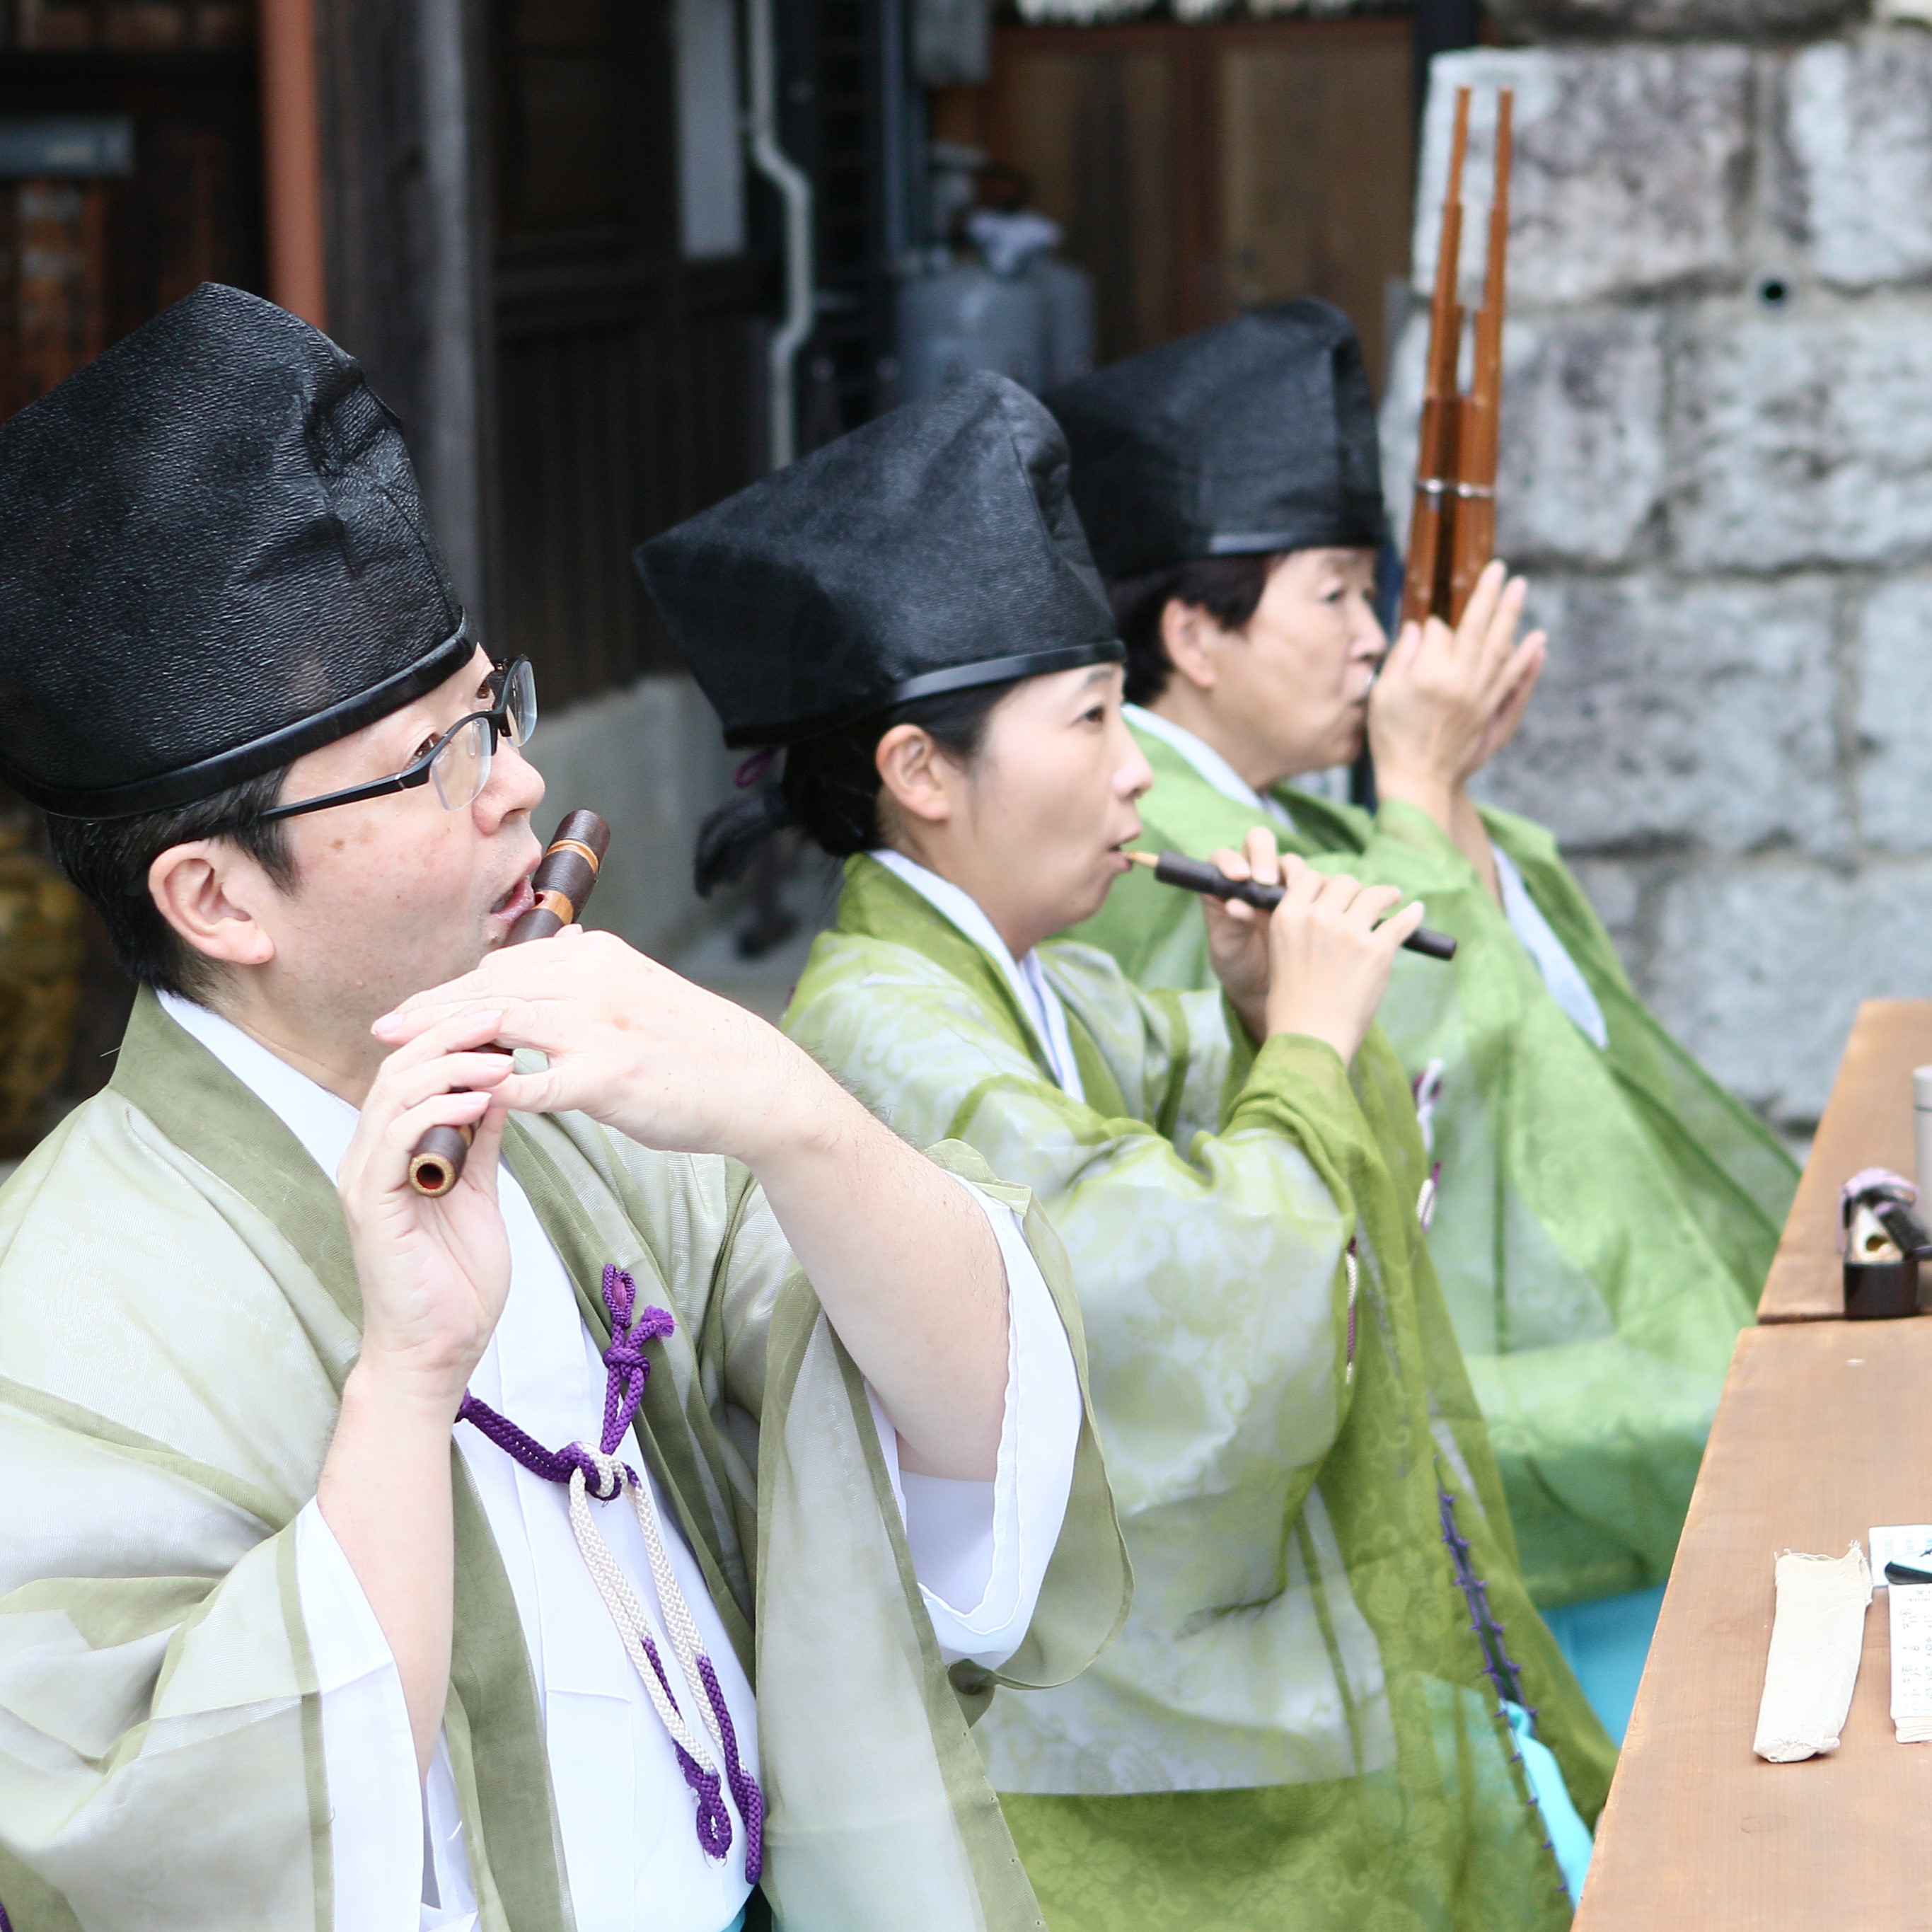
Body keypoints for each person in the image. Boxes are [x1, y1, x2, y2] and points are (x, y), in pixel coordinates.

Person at [0, 286, 1130, 1932]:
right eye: (442, 755)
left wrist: (789, 1114)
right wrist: (406, 1376)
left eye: (495, 710)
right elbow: (163, 1843)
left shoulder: (589, 1105)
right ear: (217, 894)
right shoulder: (59, 1302)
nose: (521, 779)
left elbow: (971, 1447)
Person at [640, 371, 1616, 1932]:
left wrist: (1249, 1013)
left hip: (1133, 1683)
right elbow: (1186, 1292)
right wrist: (1300, 1047)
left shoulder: (1048, 984)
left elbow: (1231, 1170)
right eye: (1091, 719)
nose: (1134, 771)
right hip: (1033, 1754)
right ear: (920, 772)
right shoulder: (880, 1027)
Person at [1047, 299, 1800, 1737]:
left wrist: (1435, 795)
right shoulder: (1176, 831)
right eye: (1331, 594)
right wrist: (1414, 793)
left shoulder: (1265, 804)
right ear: (1194, 632)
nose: (1375, 638)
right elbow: (1438, 1031)